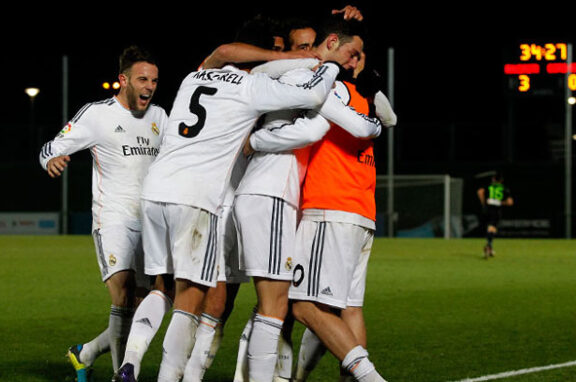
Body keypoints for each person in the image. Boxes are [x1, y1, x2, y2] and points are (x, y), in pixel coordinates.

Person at [114, 14, 342, 382]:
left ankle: (132, 359)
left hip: (156, 189)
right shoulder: (250, 87)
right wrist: (325, 62)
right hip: (198, 197)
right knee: (191, 299)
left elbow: (221, 52)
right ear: (261, 54)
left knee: (163, 286)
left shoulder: (195, 75)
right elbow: (313, 94)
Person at [246, 44, 395, 382]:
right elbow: (391, 119)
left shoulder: (332, 89)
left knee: (302, 306)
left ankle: (371, 378)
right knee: (348, 308)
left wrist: (255, 140)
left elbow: (264, 78)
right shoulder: (368, 97)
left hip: (330, 208)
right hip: (363, 213)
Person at [38, 45, 168, 382]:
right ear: (123, 80)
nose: (149, 86)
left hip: (151, 222)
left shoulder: (160, 118)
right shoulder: (97, 114)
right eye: (142, 79)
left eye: (154, 80)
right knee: (123, 295)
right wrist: (51, 159)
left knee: (143, 308)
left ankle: (86, 353)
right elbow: (52, 146)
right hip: (113, 217)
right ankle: (121, 376)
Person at [477, 172, 513, 258]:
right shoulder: (504, 188)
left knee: (490, 229)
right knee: (492, 228)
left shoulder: (489, 186)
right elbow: (510, 202)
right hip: (496, 211)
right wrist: (500, 202)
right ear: (501, 180)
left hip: (487, 210)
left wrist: (483, 203)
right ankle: (488, 246)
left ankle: (490, 248)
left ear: (493, 179)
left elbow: (480, 191)